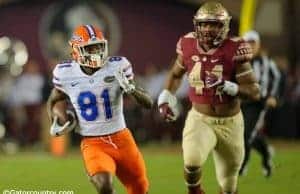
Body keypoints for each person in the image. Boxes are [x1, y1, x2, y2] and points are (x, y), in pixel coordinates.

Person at [157, 2, 260, 194]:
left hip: (231, 123)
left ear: (225, 26)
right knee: (192, 160)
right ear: (197, 24)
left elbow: (254, 91)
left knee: (229, 185)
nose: (208, 29)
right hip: (200, 118)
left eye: (214, 24)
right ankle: (195, 190)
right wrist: (165, 96)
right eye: (204, 24)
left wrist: (228, 86)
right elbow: (176, 74)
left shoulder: (235, 48)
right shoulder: (187, 44)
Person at [47, 24, 153, 194]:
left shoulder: (118, 66)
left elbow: (148, 103)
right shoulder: (65, 73)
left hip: (122, 139)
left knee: (139, 188)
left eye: (99, 47)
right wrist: (56, 119)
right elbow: (54, 99)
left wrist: (131, 89)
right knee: (105, 186)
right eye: (90, 48)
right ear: (76, 50)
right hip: (93, 143)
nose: (96, 52)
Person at [239, 30, 281, 177]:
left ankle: (242, 167)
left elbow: (277, 78)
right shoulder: (239, 62)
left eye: (253, 43)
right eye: (247, 43)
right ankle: (266, 152)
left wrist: (273, 96)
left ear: (258, 45)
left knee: (246, 134)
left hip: (258, 103)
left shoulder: (266, 62)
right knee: (247, 133)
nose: (250, 46)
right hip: (242, 103)